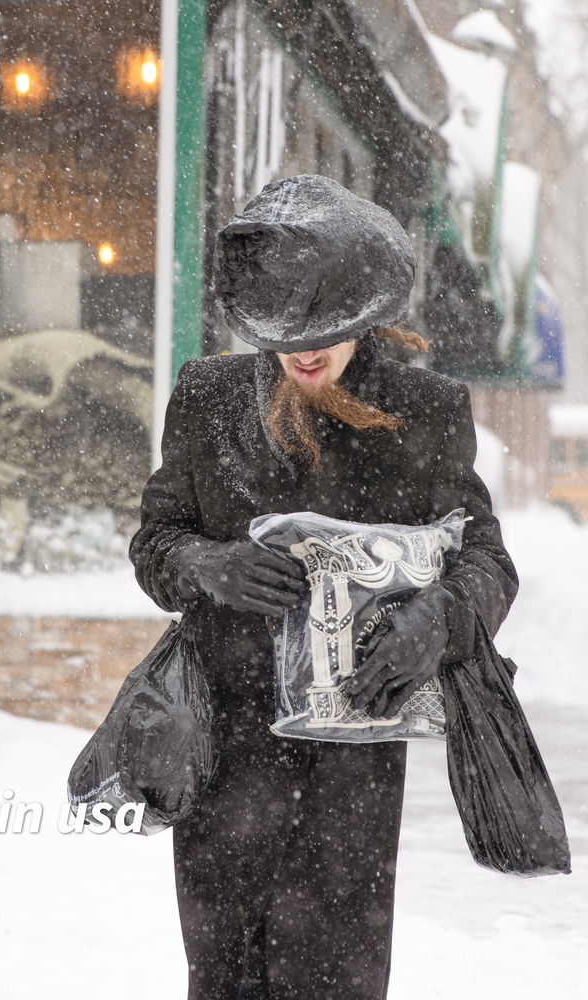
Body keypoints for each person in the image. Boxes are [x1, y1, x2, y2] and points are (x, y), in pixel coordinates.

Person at [130, 174, 518, 999]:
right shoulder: (207, 398)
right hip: (226, 752)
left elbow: (487, 562)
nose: (305, 355)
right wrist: (208, 565)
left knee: (334, 978)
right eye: (285, 337)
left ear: (365, 317)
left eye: (327, 335)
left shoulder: (425, 409)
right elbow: (155, 545)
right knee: (224, 979)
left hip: (352, 771)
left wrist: (437, 622)